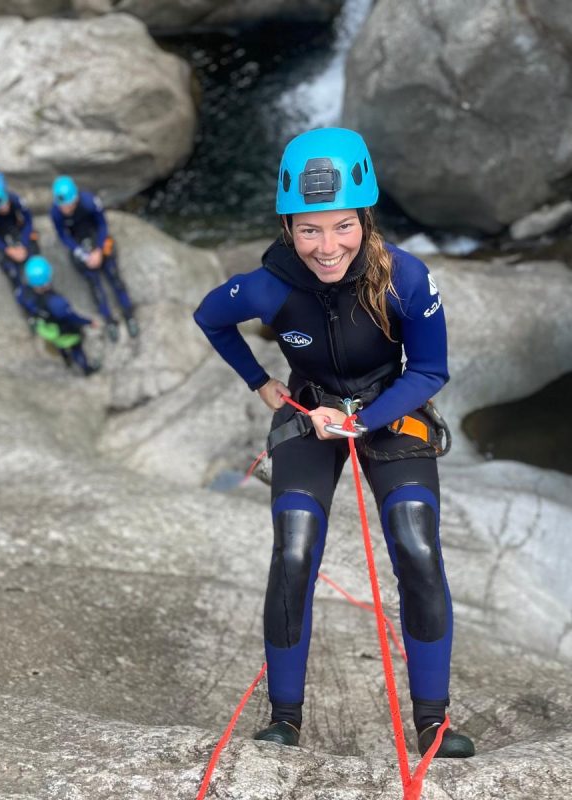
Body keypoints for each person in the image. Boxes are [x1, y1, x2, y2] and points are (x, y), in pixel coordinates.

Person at [194, 127, 475, 758]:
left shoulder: (404, 277)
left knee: (416, 543)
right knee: (293, 550)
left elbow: (429, 370)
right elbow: (210, 316)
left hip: (388, 408)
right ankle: (284, 719)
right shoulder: (269, 284)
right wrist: (263, 384)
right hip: (308, 408)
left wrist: (367, 419)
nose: (328, 247)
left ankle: (433, 722)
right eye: (309, 230)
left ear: (365, 218)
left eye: (343, 226)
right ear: (288, 225)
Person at [50, 175, 139, 342]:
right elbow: (63, 236)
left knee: (115, 278)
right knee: (95, 286)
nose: (65, 209)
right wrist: (83, 254)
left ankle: (129, 315)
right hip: (79, 244)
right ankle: (109, 320)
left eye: (68, 205)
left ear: (75, 199)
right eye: (62, 206)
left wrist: (98, 249)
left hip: (96, 238)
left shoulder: (89, 202)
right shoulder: (56, 212)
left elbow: (102, 225)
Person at [16, 255, 100, 376]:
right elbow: (72, 317)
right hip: (63, 330)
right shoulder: (56, 303)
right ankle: (86, 369)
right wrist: (89, 322)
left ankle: (66, 360)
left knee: (59, 344)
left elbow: (23, 304)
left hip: (45, 328)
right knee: (76, 348)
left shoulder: (22, 293)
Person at [0, 172, 39, 292]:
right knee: (10, 268)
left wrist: (24, 244)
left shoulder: (15, 199)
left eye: (5, 203)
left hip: (15, 225)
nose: (4, 208)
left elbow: (28, 220)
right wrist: (7, 249)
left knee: (33, 254)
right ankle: (20, 290)